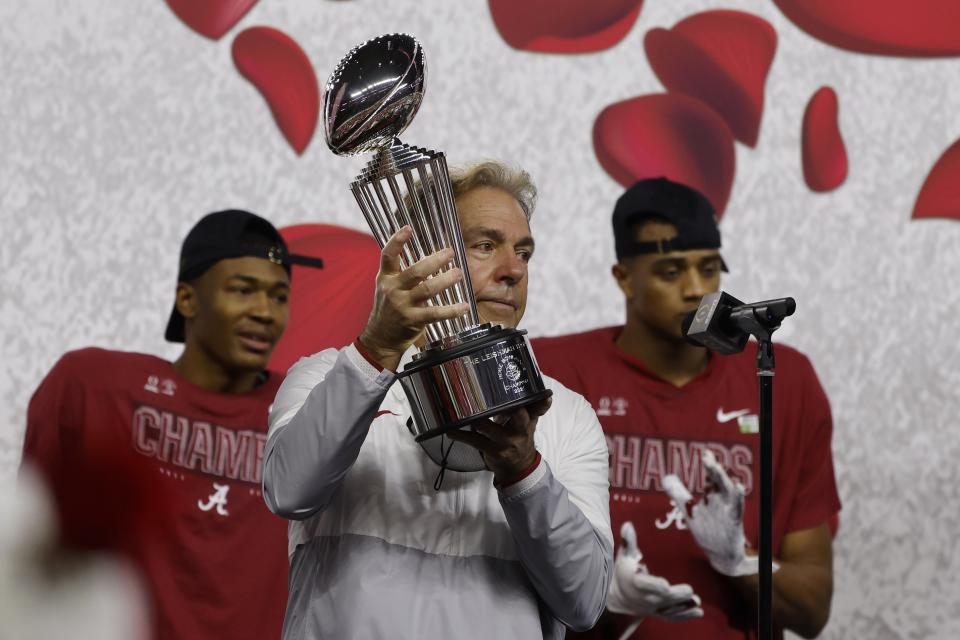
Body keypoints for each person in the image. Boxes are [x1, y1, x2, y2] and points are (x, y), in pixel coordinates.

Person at [262, 161, 613, 640]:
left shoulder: (566, 415)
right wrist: (376, 351)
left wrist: (523, 470)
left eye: (524, 253)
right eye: (485, 246)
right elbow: (289, 492)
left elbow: (586, 602)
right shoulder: (327, 375)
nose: (513, 271)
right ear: (421, 258)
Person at [531, 177, 841, 639]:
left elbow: (813, 609)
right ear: (623, 277)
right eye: (671, 272)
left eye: (710, 268)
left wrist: (739, 559)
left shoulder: (783, 379)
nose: (697, 289)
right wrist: (605, 595)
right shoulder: (555, 368)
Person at [21, 209, 322, 640]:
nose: (265, 312)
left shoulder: (305, 408)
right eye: (243, 290)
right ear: (187, 299)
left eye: (279, 296)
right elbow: (29, 542)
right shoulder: (94, 387)